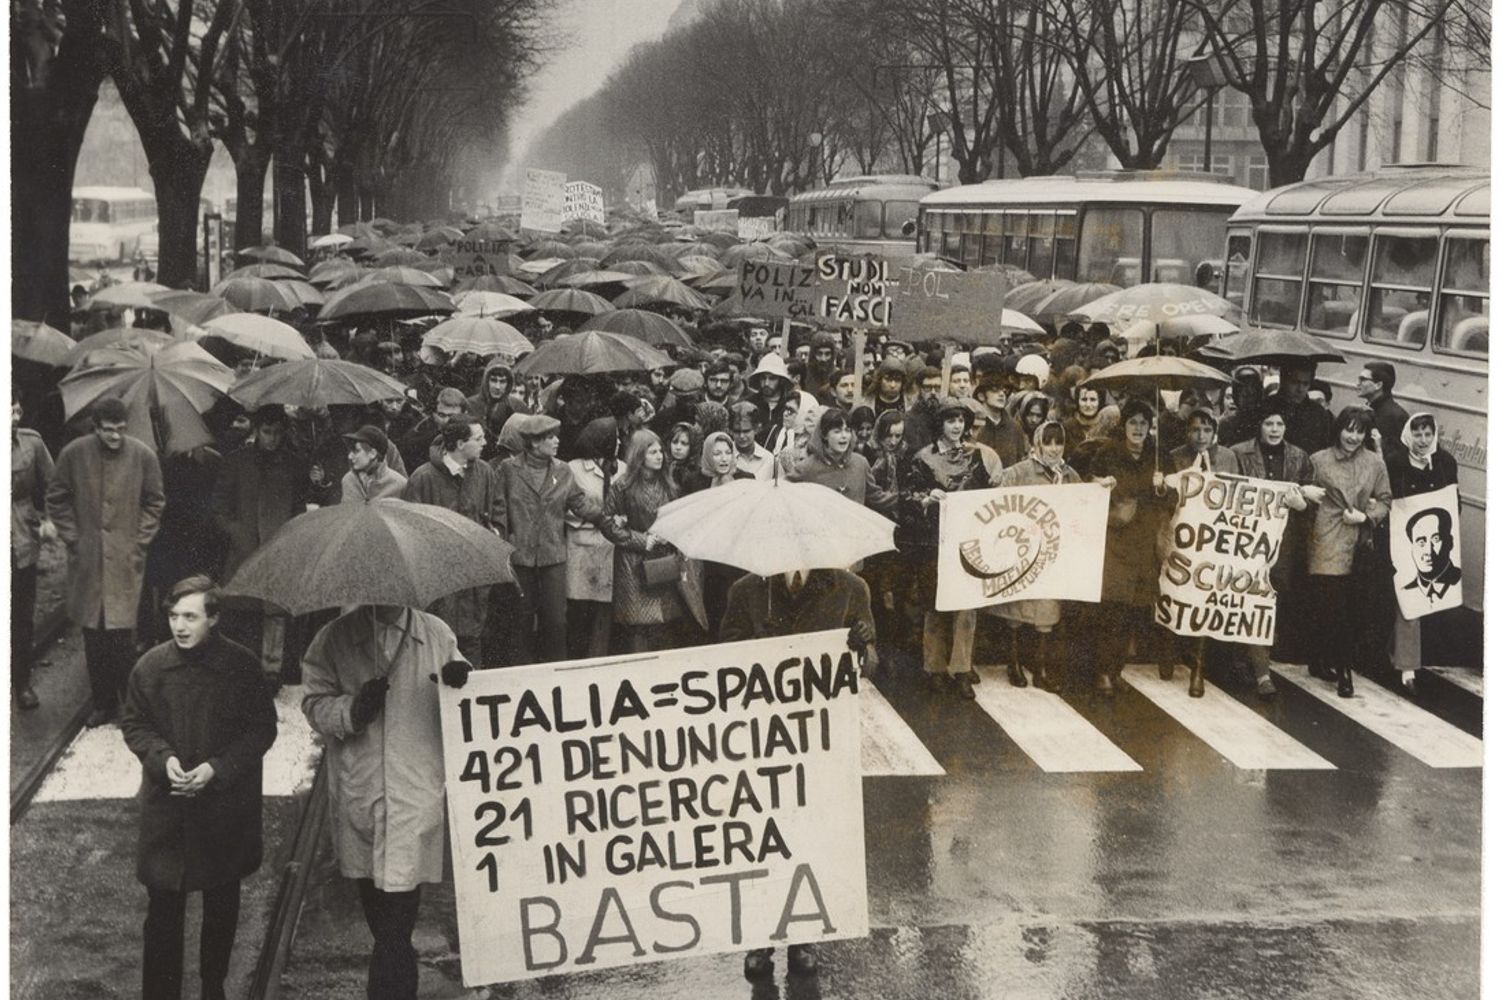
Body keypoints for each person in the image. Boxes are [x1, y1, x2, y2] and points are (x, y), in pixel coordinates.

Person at [120, 576, 276, 1000]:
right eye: (173, 616)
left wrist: (217, 769)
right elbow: (134, 724)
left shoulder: (241, 667)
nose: (180, 626)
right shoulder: (150, 667)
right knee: (163, 913)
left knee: (221, 906)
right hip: (167, 811)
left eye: (191, 616)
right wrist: (162, 759)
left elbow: (261, 730)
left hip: (222, 812)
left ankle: (213, 987)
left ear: (215, 618)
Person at [301, 604, 466, 1000]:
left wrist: (460, 680)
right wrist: (352, 709)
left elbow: (466, 694)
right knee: (384, 923)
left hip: (414, 795)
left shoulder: (437, 635)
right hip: (364, 794)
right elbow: (313, 702)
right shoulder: (334, 639)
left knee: (396, 926)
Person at [720, 565, 875, 979]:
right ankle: (760, 939)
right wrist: (757, 645)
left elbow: (870, 665)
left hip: (819, 741)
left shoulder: (850, 588)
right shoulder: (746, 590)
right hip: (762, 738)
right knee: (762, 839)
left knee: (810, 836)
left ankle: (804, 937)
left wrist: (862, 647)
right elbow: (722, 659)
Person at [47, 396, 166, 727]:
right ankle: (102, 704)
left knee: (122, 639)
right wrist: (73, 538)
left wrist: (139, 541)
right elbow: (57, 498)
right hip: (88, 561)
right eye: (109, 431)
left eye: (121, 430)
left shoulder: (143, 456)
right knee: (93, 636)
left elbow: (155, 501)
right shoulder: (74, 454)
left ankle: (130, 707)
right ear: (95, 428)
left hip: (125, 561)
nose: (116, 437)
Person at [902, 397, 994, 697]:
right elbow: (909, 498)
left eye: (960, 421)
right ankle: (934, 668)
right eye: (950, 421)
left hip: (967, 540)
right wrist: (927, 499)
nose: (956, 427)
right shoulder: (922, 459)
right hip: (933, 542)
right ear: (939, 425)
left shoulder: (975, 457)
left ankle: (962, 668)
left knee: (966, 608)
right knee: (935, 606)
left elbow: (986, 498)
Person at [494, 414, 603, 664]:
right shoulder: (508, 469)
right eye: (550, 437)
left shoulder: (562, 470)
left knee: (556, 621)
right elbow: (499, 511)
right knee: (520, 620)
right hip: (519, 558)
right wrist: (505, 546)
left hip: (553, 557)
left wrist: (604, 517)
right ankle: (519, 673)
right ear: (534, 442)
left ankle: (555, 673)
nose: (556, 441)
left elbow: (579, 502)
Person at [210, 406, 308, 682]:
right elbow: (219, 507)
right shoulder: (237, 462)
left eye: (278, 433)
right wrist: (236, 532)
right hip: (243, 548)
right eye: (267, 432)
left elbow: (298, 506)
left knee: (275, 611)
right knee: (242, 610)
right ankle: (241, 669)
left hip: (278, 548)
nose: (272, 439)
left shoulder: (292, 465)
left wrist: (289, 535)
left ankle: (272, 672)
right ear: (256, 431)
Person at [1084, 398, 1173, 696]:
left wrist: (1163, 486)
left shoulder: (1158, 455)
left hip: (1145, 541)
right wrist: (1100, 482)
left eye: (1143, 423)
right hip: (1115, 539)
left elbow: (1171, 499)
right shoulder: (1108, 452)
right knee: (1112, 608)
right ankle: (1102, 671)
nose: (1138, 428)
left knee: (1135, 610)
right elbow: (1089, 485)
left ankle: (1116, 669)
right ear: (1123, 426)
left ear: (1150, 428)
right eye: (1133, 422)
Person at [982, 421, 1079, 691]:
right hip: (1023, 551)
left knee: (1046, 612)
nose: (1053, 449)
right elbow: (999, 487)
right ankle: (1013, 663)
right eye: (1047, 442)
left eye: (1058, 442)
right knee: (1016, 609)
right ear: (1037, 444)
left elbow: (1084, 503)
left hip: (1051, 555)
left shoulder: (1069, 475)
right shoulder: (1023, 470)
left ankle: (1041, 668)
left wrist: (1100, 488)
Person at [1228, 401, 1314, 698]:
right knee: (1247, 596)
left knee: (1271, 598)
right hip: (1248, 539)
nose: (1275, 429)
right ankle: (1258, 669)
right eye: (1269, 424)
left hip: (1282, 542)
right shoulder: (1239, 453)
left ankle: (1249, 657)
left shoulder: (1299, 456)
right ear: (1259, 426)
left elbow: (1310, 496)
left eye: (1279, 424)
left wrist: (1301, 504)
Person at [1306, 406, 1391, 697]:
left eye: (1359, 431)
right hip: (1328, 537)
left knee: (1352, 605)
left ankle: (1318, 659)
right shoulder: (1319, 460)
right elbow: (1306, 494)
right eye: (1348, 429)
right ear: (1338, 429)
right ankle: (1344, 670)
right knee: (1335, 605)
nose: (1353, 437)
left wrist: (1368, 517)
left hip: (1360, 540)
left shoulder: (1375, 464)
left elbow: (1385, 499)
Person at [401, 419, 503, 662]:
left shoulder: (485, 472)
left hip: (473, 582)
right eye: (478, 439)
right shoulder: (422, 478)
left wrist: (493, 535)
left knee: (471, 643)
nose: (485, 444)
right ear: (460, 444)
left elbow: (499, 513)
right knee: (435, 644)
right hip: (438, 581)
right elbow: (410, 530)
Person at [1384, 411, 1460, 689]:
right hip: (1401, 541)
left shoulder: (1445, 462)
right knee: (1410, 601)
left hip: (1433, 542)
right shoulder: (1395, 462)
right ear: (1408, 434)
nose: (1423, 440)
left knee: (1423, 600)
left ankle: (1395, 652)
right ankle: (1408, 669)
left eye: (1428, 434)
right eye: (1417, 434)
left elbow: (1453, 500)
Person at [600, 430, 695, 652]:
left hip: (662, 560)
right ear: (639, 455)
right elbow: (606, 522)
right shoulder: (622, 485)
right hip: (632, 563)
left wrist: (669, 534)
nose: (660, 456)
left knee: (663, 623)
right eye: (652, 452)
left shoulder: (668, 484)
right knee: (638, 626)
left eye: (661, 450)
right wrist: (641, 540)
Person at [12, 399, 55, 709]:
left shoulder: (32, 442)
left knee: (21, 617)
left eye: (17, 410)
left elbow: (55, 484)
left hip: (22, 541)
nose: (14, 417)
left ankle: (21, 683)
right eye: (8, 410)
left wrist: (50, 518)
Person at [563, 421, 617, 660]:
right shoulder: (573, 469)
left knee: (604, 614)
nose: (619, 443)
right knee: (579, 611)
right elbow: (566, 508)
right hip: (582, 547)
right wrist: (595, 518)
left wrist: (619, 520)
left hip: (610, 547)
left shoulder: (622, 468)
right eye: (614, 438)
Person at [1264, 361, 1334, 454]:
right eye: (1294, 382)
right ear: (1283, 380)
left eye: (1305, 384)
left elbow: (1324, 450)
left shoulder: (1319, 413)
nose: (1300, 389)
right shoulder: (1265, 408)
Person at [396, 386, 469, 474]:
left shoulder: (476, 437)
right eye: (441, 415)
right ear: (433, 414)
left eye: (452, 416)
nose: (446, 421)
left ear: (465, 414)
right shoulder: (417, 439)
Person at [1355, 360, 1410, 460]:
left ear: (1378, 385)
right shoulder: (1373, 409)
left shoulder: (1393, 416)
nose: (1357, 384)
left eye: (1362, 379)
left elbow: (1393, 457)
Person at [340, 425, 407, 502]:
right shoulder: (349, 480)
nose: (350, 456)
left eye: (356, 451)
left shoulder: (400, 484)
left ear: (372, 453)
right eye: (350, 451)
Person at [726, 402, 774, 480]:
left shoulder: (768, 459)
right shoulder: (724, 457)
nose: (741, 436)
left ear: (757, 429)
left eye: (746, 431)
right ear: (730, 431)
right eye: (737, 431)